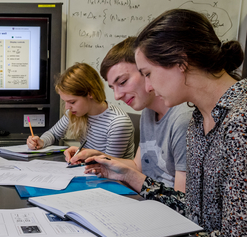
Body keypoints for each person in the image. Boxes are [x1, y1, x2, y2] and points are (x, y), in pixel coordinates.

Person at [87, 9, 247, 237]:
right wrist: (132, 177)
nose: (148, 86)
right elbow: (195, 212)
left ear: (181, 61)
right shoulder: (199, 118)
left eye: (147, 73)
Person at [66, 37, 193, 192]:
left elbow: (182, 202)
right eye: (113, 87)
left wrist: (127, 176)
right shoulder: (148, 112)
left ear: (146, 71)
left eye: (123, 82)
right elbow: (137, 166)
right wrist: (98, 156)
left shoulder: (182, 119)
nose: (117, 96)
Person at [27, 63, 134, 159]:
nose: (67, 108)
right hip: (90, 171)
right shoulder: (76, 112)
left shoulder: (117, 123)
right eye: (65, 102)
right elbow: (53, 134)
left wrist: (84, 155)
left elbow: (110, 164)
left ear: (90, 93)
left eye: (72, 102)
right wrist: (41, 141)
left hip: (112, 178)